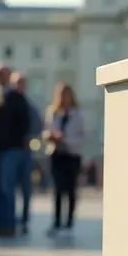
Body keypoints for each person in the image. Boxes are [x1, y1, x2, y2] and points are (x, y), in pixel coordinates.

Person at [0, 63, 31, 238]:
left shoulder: (15, 98)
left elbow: (25, 123)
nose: (1, 78)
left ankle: (8, 225)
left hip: (11, 149)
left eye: (4, 74)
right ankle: (1, 224)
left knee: (7, 188)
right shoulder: (0, 97)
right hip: (0, 149)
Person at [45, 83, 85, 234]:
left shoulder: (78, 115)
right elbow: (47, 129)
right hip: (56, 154)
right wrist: (50, 136)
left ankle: (69, 221)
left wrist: (66, 139)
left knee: (71, 189)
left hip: (72, 155)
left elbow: (82, 137)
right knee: (57, 189)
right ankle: (56, 221)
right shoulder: (53, 112)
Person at [13, 74, 43, 234]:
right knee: (11, 187)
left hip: (25, 150)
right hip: (12, 149)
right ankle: (13, 218)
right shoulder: (9, 102)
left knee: (26, 187)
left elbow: (38, 124)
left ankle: (24, 218)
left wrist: (30, 136)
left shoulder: (29, 106)